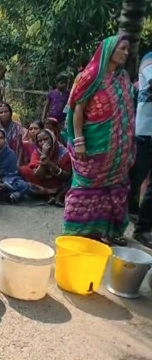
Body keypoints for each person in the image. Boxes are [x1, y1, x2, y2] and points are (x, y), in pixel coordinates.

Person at [63, 35, 134, 246]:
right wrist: (79, 140)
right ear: (109, 50)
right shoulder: (90, 76)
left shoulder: (123, 78)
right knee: (86, 188)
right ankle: (78, 233)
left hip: (118, 150)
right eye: (122, 49)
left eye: (127, 50)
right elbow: (78, 110)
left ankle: (109, 232)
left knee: (114, 189)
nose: (125, 53)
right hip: (94, 145)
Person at [131, 51, 152, 248]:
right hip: (145, 132)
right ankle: (110, 224)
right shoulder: (149, 59)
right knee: (133, 179)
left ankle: (142, 229)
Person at [19, 129, 71, 206]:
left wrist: (50, 164)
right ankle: (48, 195)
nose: (43, 143)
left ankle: (58, 196)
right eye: (40, 141)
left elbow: (66, 176)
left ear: (52, 139)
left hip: (60, 184)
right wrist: (44, 157)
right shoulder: (37, 152)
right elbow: (38, 175)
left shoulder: (64, 153)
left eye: (46, 139)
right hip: (43, 184)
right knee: (24, 170)